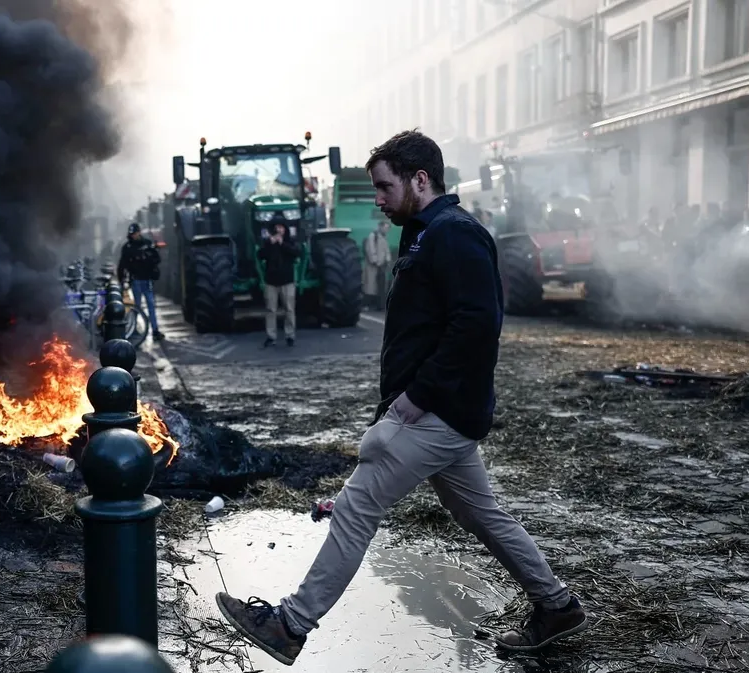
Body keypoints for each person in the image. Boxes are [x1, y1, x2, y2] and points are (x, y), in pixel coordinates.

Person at [214, 130, 587, 666]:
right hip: (441, 413)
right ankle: (556, 605)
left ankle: (289, 625)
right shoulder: (425, 234)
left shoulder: (454, 235)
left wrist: (415, 398)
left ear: (420, 179)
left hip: (437, 412)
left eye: (385, 188)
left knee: (359, 505)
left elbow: (477, 327)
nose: (379, 200)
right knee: (481, 514)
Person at [117, 223, 164, 341]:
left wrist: (148, 258)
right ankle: (134, 330)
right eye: (132, 234)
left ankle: (155, 331)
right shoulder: (127, 247)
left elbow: (157, 259)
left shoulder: (147, 244)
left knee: (151, 306)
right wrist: (122, 280)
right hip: (136, 280)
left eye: (135, 233)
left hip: (147, 279)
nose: (134, 236)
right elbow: (122, 265)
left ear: (139, 232)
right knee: (136, 307)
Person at [258, 219, 299, 348]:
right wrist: (270, 244)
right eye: (276, 228)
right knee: (270, 309)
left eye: (281, 227)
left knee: (289, 309)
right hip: (271, 281)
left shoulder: (289, 241)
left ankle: (290, 335)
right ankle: (271, 336)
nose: (279, 230)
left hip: (287, 281)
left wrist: (282, 244)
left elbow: (296, 253)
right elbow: (260, 255)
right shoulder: (268, 242)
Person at [362, 220, 392, 310]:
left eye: (388, 228)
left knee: (379, 286)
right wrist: (375, 260)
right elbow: (370, 249)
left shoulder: (383, 237)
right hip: (374, 265)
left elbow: (386, 251)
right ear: (381, 227)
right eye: (386, 228)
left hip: (381, 266)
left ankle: (378, 304)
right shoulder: (373, 236)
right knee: (371, 285)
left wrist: (387, 260)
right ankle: (368, 304)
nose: (387, 230)